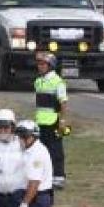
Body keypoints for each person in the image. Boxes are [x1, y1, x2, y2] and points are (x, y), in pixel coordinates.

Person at [34, 52, 68, 189]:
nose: (40, 66)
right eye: (39, 63)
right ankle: (44, 176)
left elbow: (63, 102)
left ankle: (58, 177)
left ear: (51, 65)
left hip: (54, 121)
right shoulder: (38, 81)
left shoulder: (58, 82)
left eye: (43, 64)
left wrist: (62, 121)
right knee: (41, 150)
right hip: (40, 122)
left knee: (56, 150)